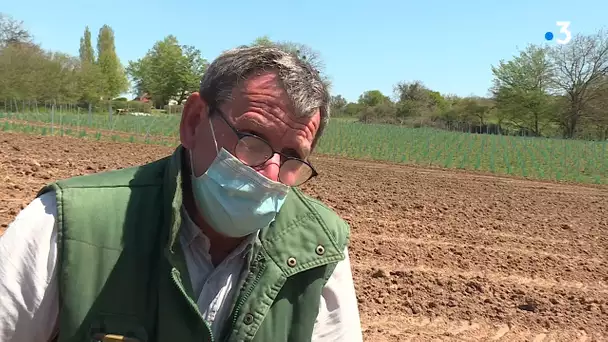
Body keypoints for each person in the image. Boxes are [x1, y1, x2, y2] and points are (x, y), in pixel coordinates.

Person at [0, 46, 363, 342]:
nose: (271, 174)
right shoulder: (63, 224)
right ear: (193, 122)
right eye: (253, 140)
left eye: (293, 157)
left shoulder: (320, 249)